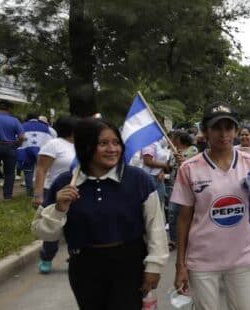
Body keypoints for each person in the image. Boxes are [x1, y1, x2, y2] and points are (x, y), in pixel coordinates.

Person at [31, 118, 168, 309]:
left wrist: (154, 266)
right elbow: (43, 233)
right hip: (84, 266)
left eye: (116, 143)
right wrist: (59, 208)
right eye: (103, 143)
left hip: (129, 264)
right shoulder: (66, 182)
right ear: (85, 146)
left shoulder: (138, 180)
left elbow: (155, 227)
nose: (112, 149)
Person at [172, 103, 250, 310]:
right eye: (217, 128)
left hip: (241, 257)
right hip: (202, 260)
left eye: (229, 128)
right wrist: (180, 265)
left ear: (236, 131)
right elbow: (183, 219)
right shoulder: (189, 168)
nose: (224, 134)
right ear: (205, 131)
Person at [31, 116, 77, 274]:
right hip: (52, 192)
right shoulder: (53, 145)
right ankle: (46, 257)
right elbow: (41, 169)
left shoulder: (81, 146)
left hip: (74, 193)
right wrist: (38, 194)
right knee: (53, 229)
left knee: (75, 228)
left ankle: (76, 257)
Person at [165, 130, 199, 248]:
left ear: (179, 138)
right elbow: (170, 166)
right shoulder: (173, 150)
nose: (172, 140)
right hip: (173, 185)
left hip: (187, 186)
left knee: (187, 213)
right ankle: (174, 240)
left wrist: (182, 162)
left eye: (174, 137)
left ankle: (188, 238)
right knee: (172, 212)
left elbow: (193, 167)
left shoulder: (192, 150)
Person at [17, 113, 56, 198]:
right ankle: (41, 190)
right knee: (42, 170)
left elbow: (18, 138)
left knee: (28, 171)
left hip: (26, 150)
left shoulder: (22, 126)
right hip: (41, 151)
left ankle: (29, 191)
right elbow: (49, 140)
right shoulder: (45, 127)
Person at [142, 139, 172, 209]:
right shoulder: (149, 143)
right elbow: (147, 161)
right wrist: (165, 166)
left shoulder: (160, 144)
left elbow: (160, 159)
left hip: (158, 176)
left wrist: (161, 171)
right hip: (149, 176)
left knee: (161, 200)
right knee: (151, 204)